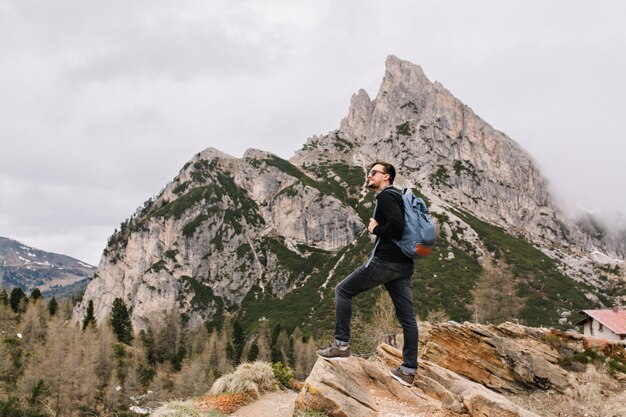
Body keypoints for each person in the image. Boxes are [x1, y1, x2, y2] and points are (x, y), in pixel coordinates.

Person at [316, 161, 419, 386]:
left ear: (386, 176)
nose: (369, 176)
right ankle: (408, 371)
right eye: (369, 172)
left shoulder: (386, 196)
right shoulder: (398, 196)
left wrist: (375, 229)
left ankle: (341, 345)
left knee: (342, 290)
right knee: (408, 319)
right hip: (404, 265)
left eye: (374, 173)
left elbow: (396, 226)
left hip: (386, 263)